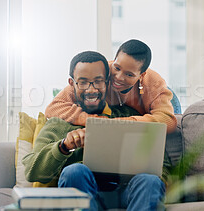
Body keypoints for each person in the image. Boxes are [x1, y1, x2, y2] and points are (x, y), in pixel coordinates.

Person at [22, 51, 171, 211]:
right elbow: (32, 171)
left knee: (150, 180)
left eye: (98, 82)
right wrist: (63, 147)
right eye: (83, 82)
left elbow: (165, 167)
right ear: (72, 84)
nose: (91, 90)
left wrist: (140, 167)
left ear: (108, 83)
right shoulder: (59, 122)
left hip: (128, 192)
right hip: (84, 189)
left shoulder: (130, 115)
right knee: (74, 171)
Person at [45, 39, 177, 133]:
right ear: (114, 61)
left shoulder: (154, 83)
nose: (118, 77)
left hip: (160, 101)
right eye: (117, 67)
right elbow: (54, 108)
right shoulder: (101, 72)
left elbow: (168, 121)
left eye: (129, 74)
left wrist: (122, 123)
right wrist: (96, 121)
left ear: (141, 75)